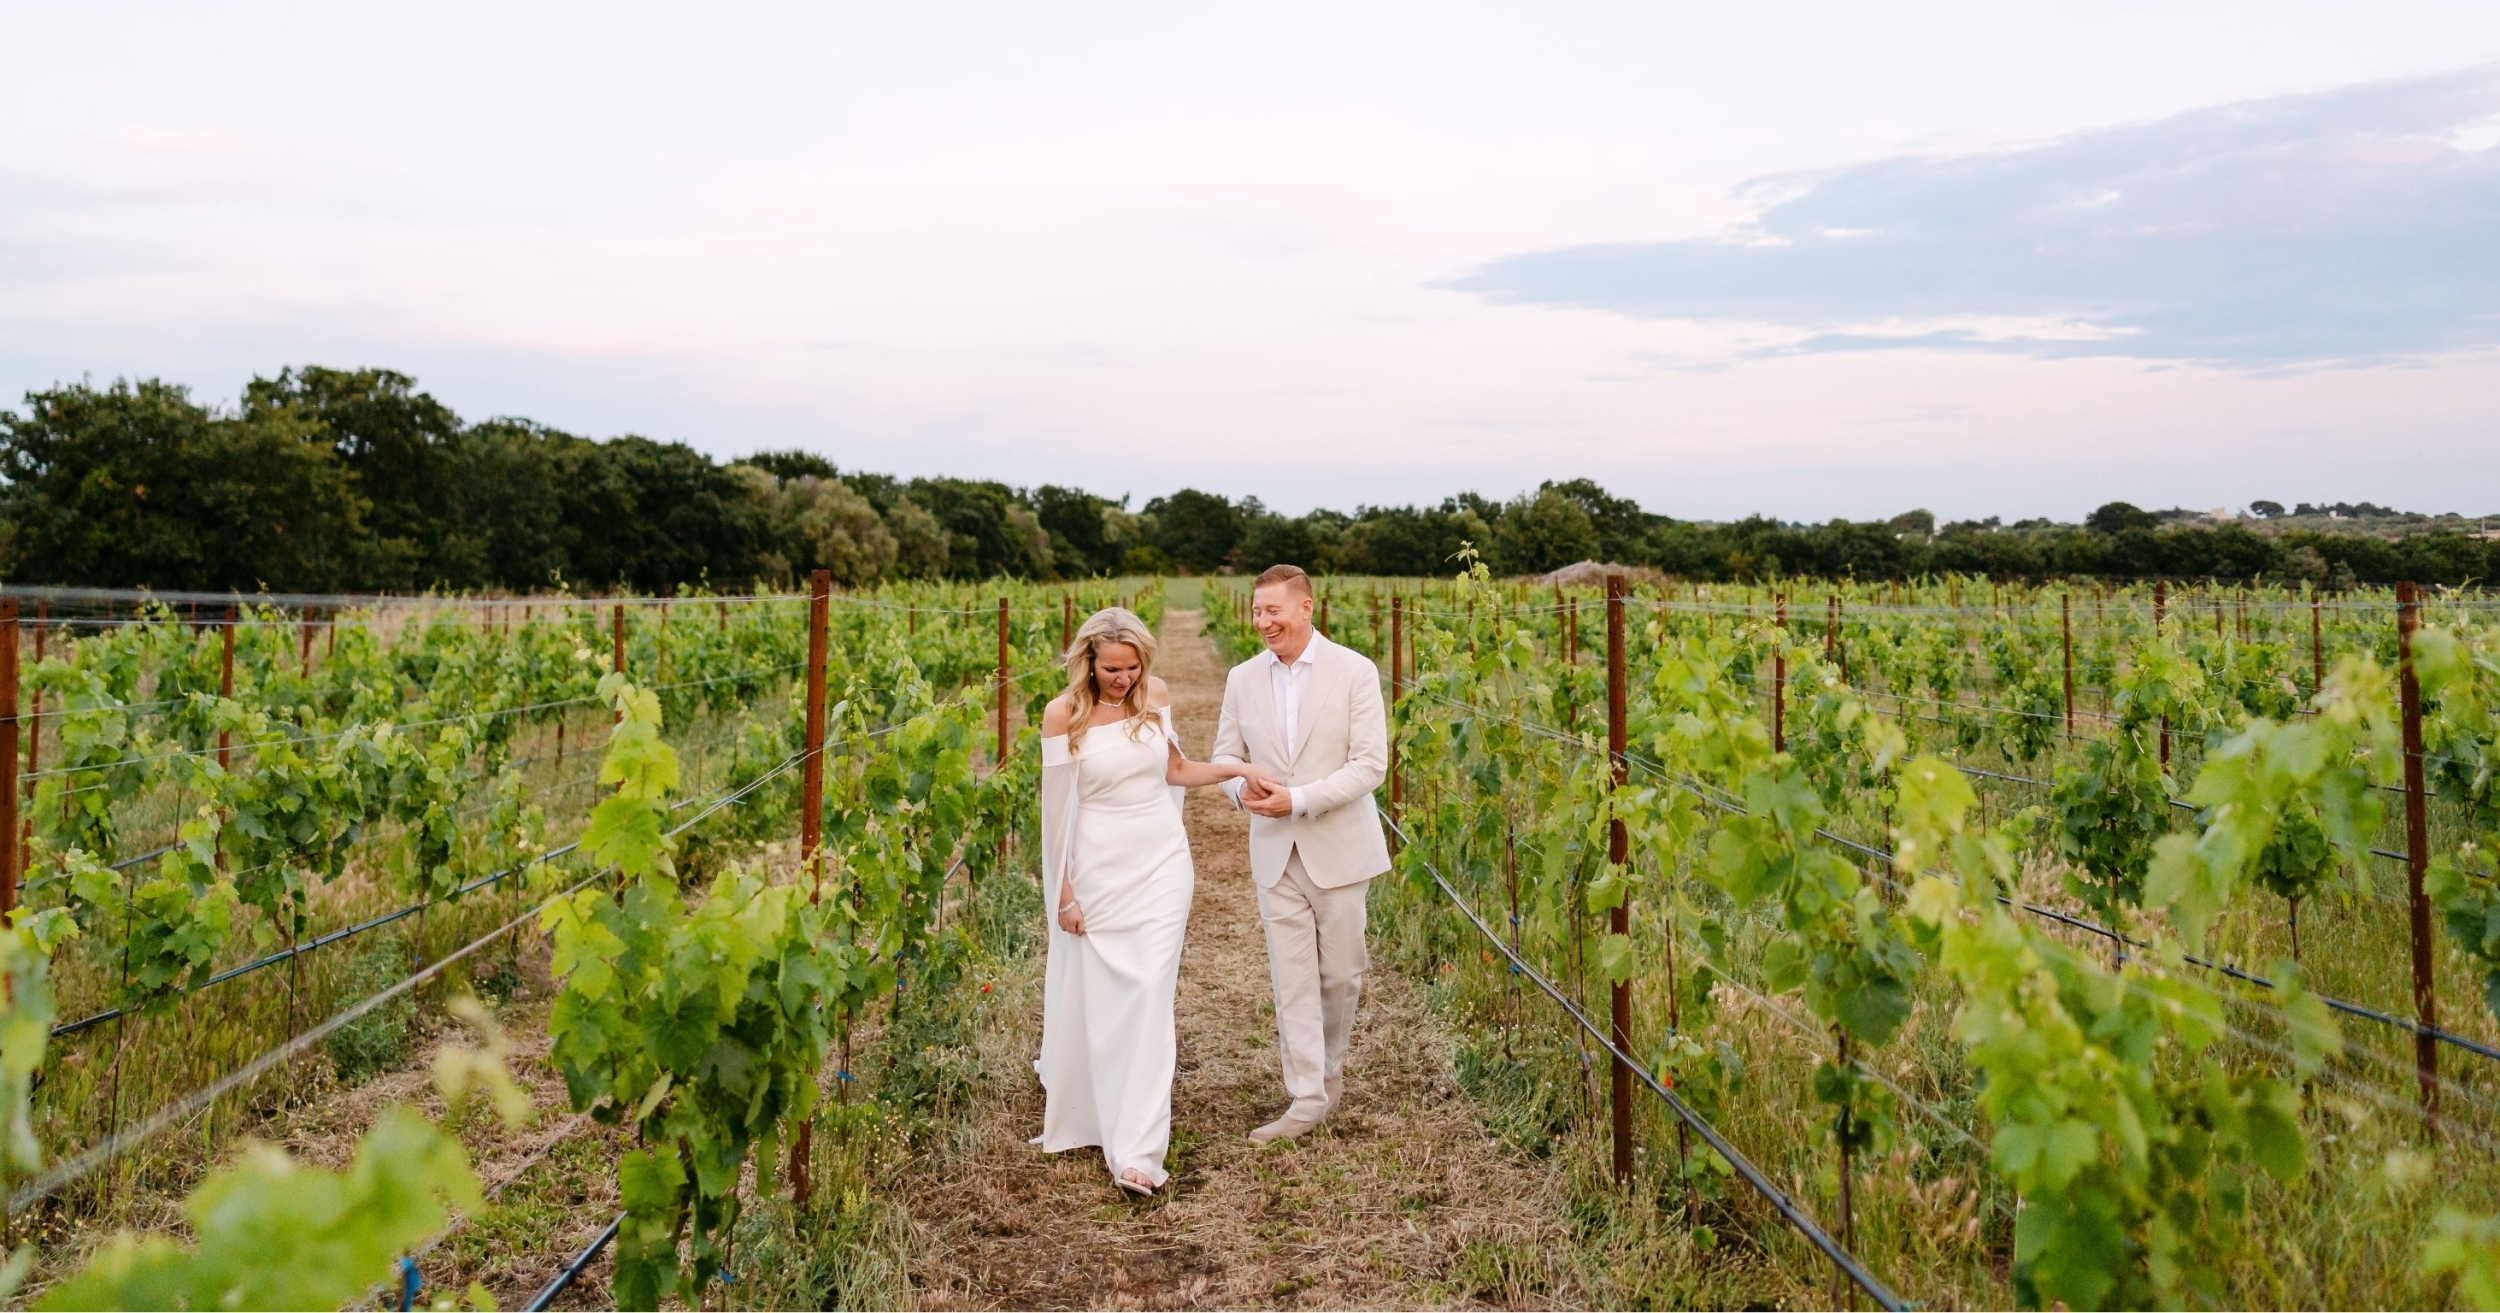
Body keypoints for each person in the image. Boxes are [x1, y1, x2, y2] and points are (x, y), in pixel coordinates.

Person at [1033, 606, 1274, 1195]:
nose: (1124, 679)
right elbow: (1055, 815)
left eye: (1133, 667)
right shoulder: (1062, 715)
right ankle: (1097, 1106)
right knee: (1106, 995)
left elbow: (1176, 770)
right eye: (1112, 669)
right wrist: (1063, 895)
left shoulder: (1154, 696)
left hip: (1162, 862)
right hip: (1097, 868)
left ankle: (1138, 1151)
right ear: (1088, 663)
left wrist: (1238, 768)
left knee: (1149, 992)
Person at [1211, 564, 1391, 1144]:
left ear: (1305, 607)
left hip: (1339, 848)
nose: (1263, 622)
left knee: (1340, 975)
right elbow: (1225, 758)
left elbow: (1370, 764)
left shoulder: (1355, 671)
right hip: (1274, 850)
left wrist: (1299, 799)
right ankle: (1306, 1097)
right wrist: (1241, 791)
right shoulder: (1242, 678)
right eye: (1256, 611)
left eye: (1273, 610)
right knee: (1291, 979)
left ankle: (1329, 1071)